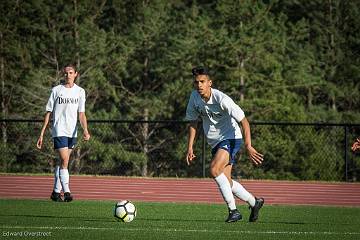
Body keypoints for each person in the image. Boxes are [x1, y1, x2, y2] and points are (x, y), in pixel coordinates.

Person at [185, 66, 264, 223]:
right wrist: (190, 147)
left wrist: (248, 146)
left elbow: (244, 122)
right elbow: (193, 122)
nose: (199, 85)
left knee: (214, 170)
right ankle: (254, 202)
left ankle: (233, 211)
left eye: (202, 81)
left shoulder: (223, 99)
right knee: (226, 181)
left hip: (231, 138)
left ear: (210, 83)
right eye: (196, 82)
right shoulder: (194, 97)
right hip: (215, 142)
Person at [36, 64, 90, 202]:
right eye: (66, 73)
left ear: (75, 74)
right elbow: (48, 113)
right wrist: (41, 134)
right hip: (59, 129)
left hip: (72, 131)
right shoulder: (56, 90)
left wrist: (85, 130)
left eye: (71, 73)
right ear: (63, 74)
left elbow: (82, 114)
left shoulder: (80, 91)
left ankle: (55, 192)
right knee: (65, 160)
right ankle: (66, 192)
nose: (68, 75)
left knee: (63, 162)